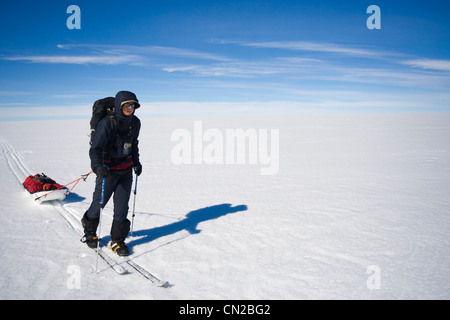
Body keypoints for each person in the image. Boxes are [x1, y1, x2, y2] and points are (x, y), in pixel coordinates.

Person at [81, 91, 142, 256]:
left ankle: (117, 241)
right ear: (119, 105)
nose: (130, 108)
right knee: (98, 205)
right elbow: (96, 149)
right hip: (107, 172)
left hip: (126, 171)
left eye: (133, 105)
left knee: (122, 208)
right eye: (127, 105)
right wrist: (97, 167)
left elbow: (133, 144)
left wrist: (136, 162)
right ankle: (90, 232)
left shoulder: (135, 123)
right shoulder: (107, 123)